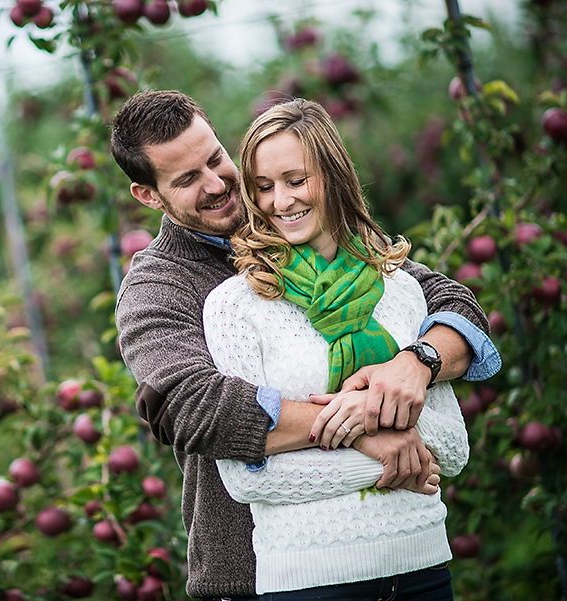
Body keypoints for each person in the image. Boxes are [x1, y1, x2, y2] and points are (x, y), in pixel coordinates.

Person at [110, 89, 500, 600]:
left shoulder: (307, 224)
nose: (217, 184)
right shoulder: (159, 286)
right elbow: (193, 407)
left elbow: (450, 303)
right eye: (186, 179)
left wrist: (415, 363)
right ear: (149, 195)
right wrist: (361, 427)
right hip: (257, 573)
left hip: (400, 548)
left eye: (215, 158)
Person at [204, 97, 480, 599]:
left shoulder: (401, 289)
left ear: (332, 176)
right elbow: (246, 478)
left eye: (295, 180)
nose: (280, 201)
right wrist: (379, 441)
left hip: (423, 566)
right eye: (263, 186)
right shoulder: (235, 305)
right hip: (309, 580)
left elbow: (453, 449)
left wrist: (360, 409)